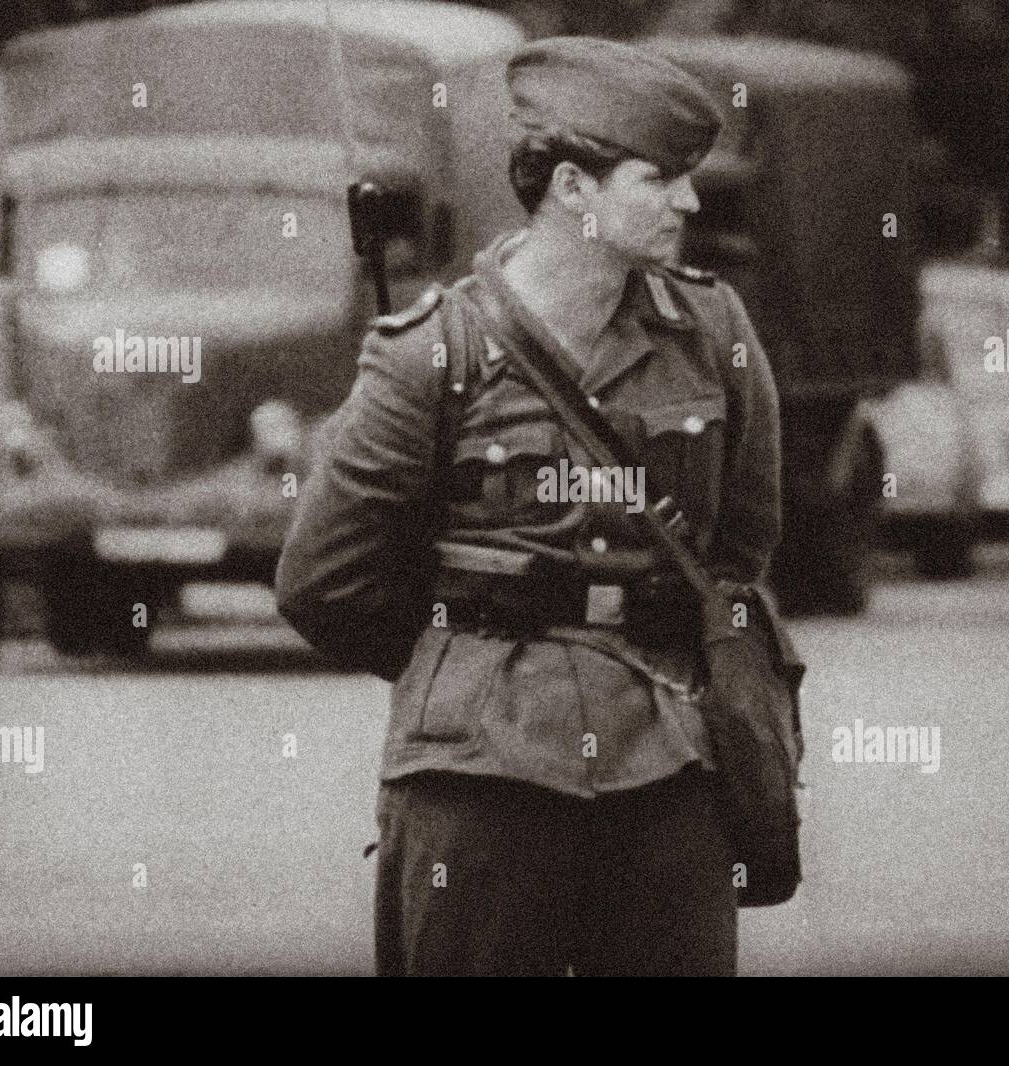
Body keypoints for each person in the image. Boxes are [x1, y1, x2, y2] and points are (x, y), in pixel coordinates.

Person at [275, 37, 784, 975]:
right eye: (658, 177)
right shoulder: (431, 351)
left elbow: (741, 545)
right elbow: (323, 583)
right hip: (479, 776)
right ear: (572, 189)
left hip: (669, 764)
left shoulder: (713, 333)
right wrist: (467, 648)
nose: (690, 202)